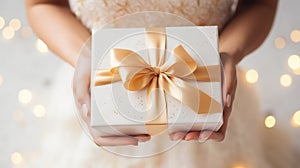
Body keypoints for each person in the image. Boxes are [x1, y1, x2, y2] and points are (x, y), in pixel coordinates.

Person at [25, 0, 296, 167]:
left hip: (204, 93)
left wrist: (225, 54)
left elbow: (259, 3)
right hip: (101, 89)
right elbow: (43, 3)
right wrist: (86, 55)